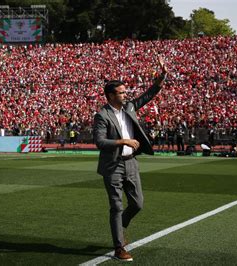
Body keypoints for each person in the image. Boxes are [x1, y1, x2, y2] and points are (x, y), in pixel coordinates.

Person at [93, 56, 167, 262]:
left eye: (126, 92)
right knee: (116, 206)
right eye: (121, 92)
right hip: (113, 165)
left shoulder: (130, 107)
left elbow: (149, 94)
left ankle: (121, 226)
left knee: (138, 204)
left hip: (131, 163)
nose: (126, 95)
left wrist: (162, 76)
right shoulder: (102, 116)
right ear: (110, 96)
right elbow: (99, 142)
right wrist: (122, 142)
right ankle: (119, 247)